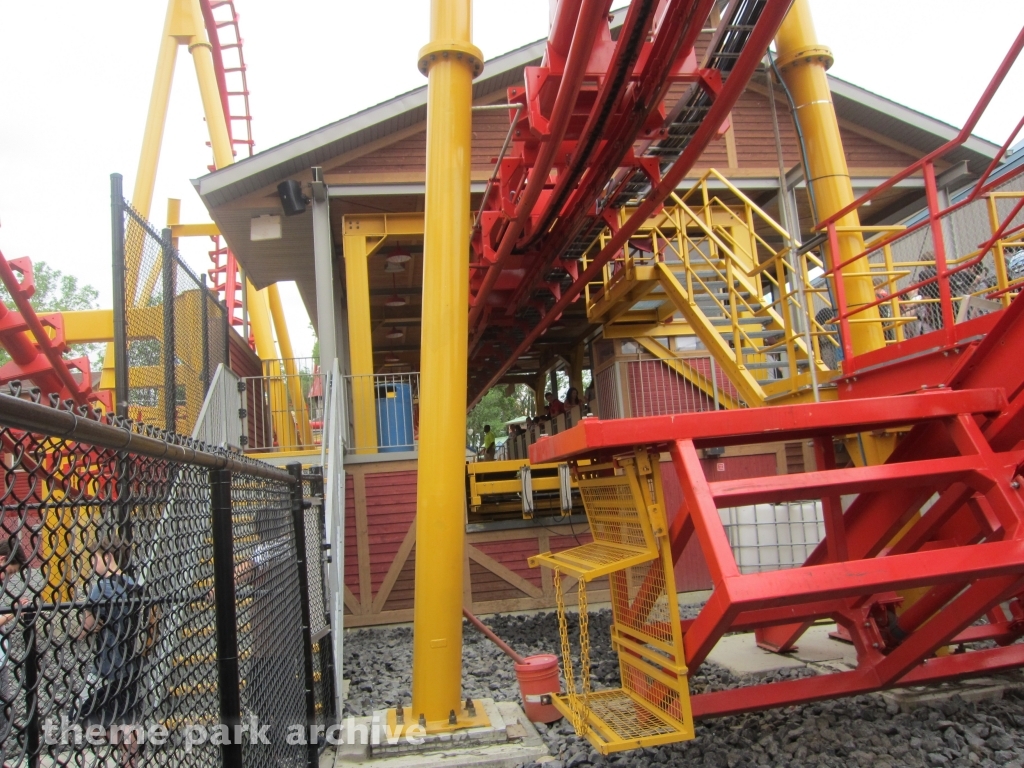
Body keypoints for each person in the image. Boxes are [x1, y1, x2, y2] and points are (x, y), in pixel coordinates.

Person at [76, 535, 147, 742]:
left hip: (106, 665)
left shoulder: (101, 588)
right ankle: (130, 753)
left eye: (94, 558)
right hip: (129, 663)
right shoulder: (133, 584)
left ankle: (121, 740)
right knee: (126, 717)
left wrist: (80, 631)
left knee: (82, 713)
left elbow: (86, 627)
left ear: (107, 557)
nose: (91, 564)